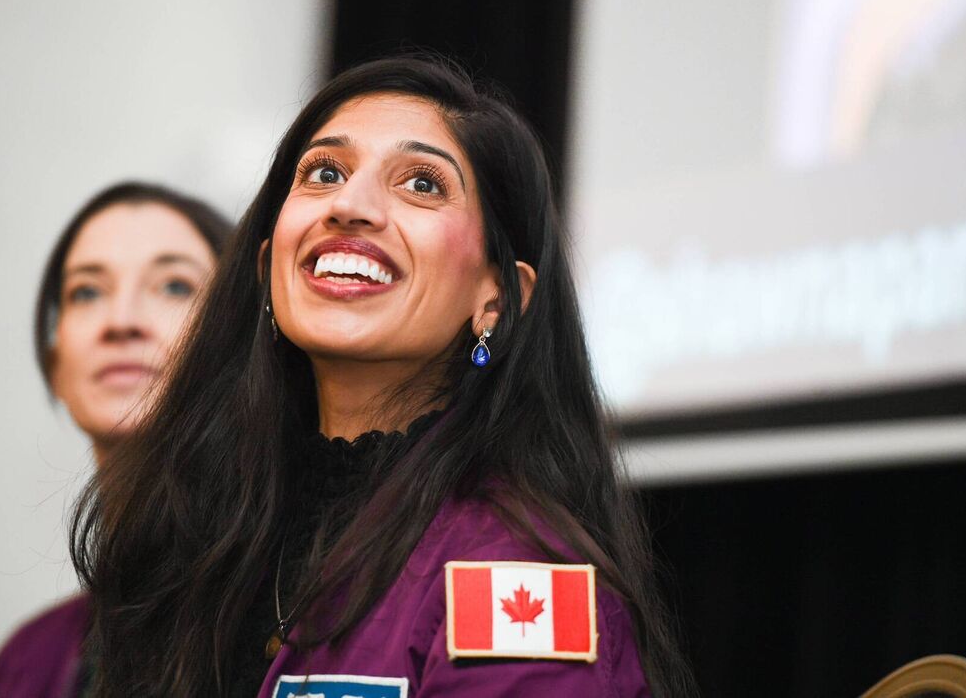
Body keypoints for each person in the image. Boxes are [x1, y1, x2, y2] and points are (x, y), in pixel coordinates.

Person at [71, 58, 698, 697]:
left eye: (422, 183)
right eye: (324, 172)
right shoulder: (192, 535)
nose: (349, 205)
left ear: (496, 300)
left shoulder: (514, 571)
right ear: (267, 265)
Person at [0, 182, 233, 698]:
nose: (121, 322)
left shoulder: (300, 621)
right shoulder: (26, 663)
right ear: (55, 365)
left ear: (238, 339)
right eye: (87, 292)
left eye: (174, 286)